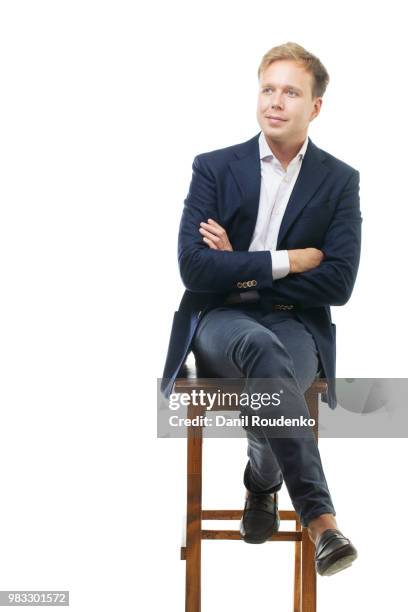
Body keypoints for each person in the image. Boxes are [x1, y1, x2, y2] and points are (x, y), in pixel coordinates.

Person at [161, 41, 361, 576]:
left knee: (274, 363)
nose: (275, 101)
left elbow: (339, 282)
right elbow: (194, 269)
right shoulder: (214, 167)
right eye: (268, 88)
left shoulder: (339, 181)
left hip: (296, 326)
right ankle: (323, 521)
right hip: (221, 323)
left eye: (291, 91)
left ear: (314, 106)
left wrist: (241, 269)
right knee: (259, 347)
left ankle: (262, 482)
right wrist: (288, 261)